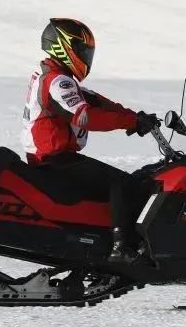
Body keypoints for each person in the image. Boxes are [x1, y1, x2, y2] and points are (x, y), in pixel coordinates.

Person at [21, 18, 160, 260]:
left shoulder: (53, 76)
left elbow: (97, 101)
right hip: (54, 161)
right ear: (64, 47)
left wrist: (134, 117)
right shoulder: (58, 81)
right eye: (82, 51)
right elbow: (85, 116)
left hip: (53, 158)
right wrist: (129, 122)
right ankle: (121, 247)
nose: (86, 57)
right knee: (123, 184)